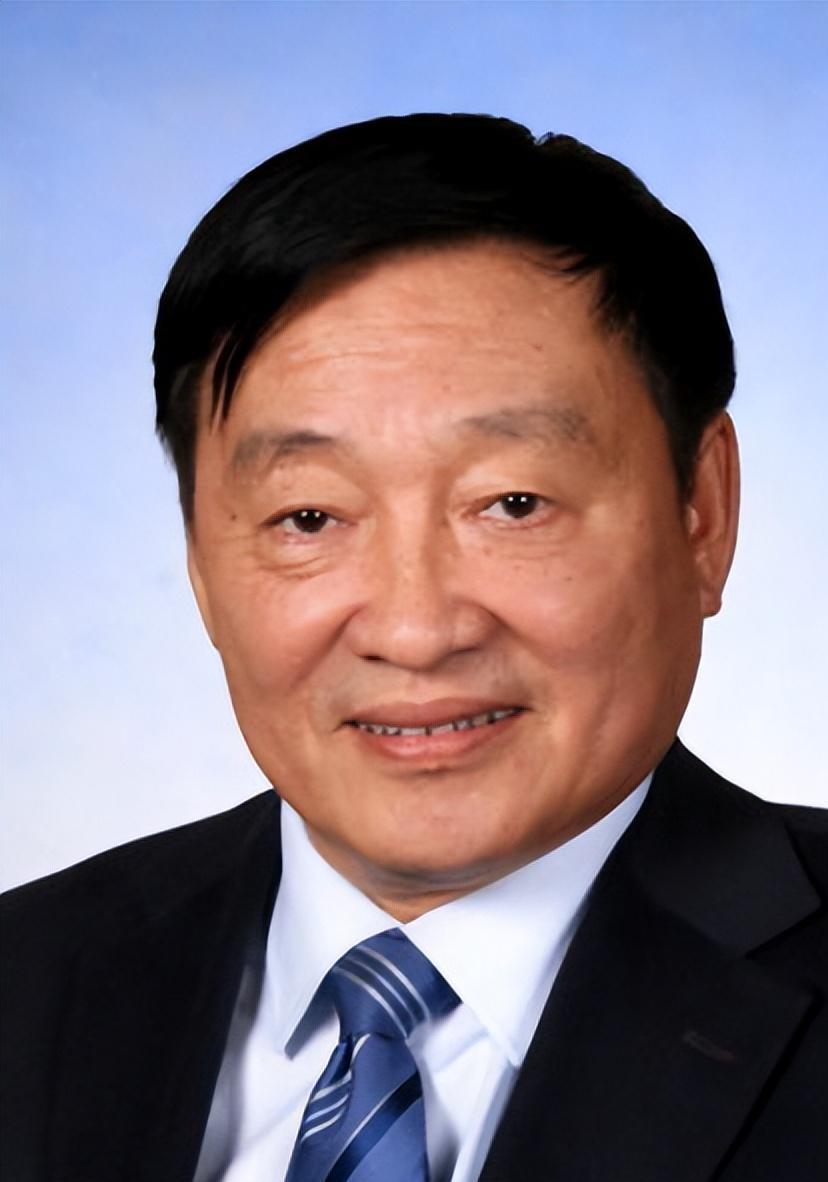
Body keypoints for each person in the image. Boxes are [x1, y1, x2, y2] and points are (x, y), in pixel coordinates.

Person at [1, 113, 825, 1182]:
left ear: (702, 512)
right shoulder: (29, 983)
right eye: (308, 517)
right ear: (200, 559)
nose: (415, 629)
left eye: (512, 504)